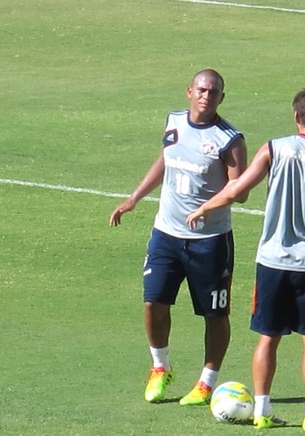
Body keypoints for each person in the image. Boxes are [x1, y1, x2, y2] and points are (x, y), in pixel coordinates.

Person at [186, 85, 305, 430]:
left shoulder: (275, 148)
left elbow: (237, 189)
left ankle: (261, 411)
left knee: (267, 336)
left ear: (296, 116)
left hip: (272, 261)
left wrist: (204, 207)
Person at [109, 69, 248, 406]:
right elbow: (165, 161)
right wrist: (135, 197)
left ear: (221, 98)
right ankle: (160, 367)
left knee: (215, 314)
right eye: (201, 89)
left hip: (210, 241)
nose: (207, 95)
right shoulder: (173, 122)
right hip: (166, 235)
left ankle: (206, 382)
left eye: (214, 92)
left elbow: (239, 190)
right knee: (153, 301)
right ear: (189, 91)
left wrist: (205, 209)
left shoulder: (230, 140)